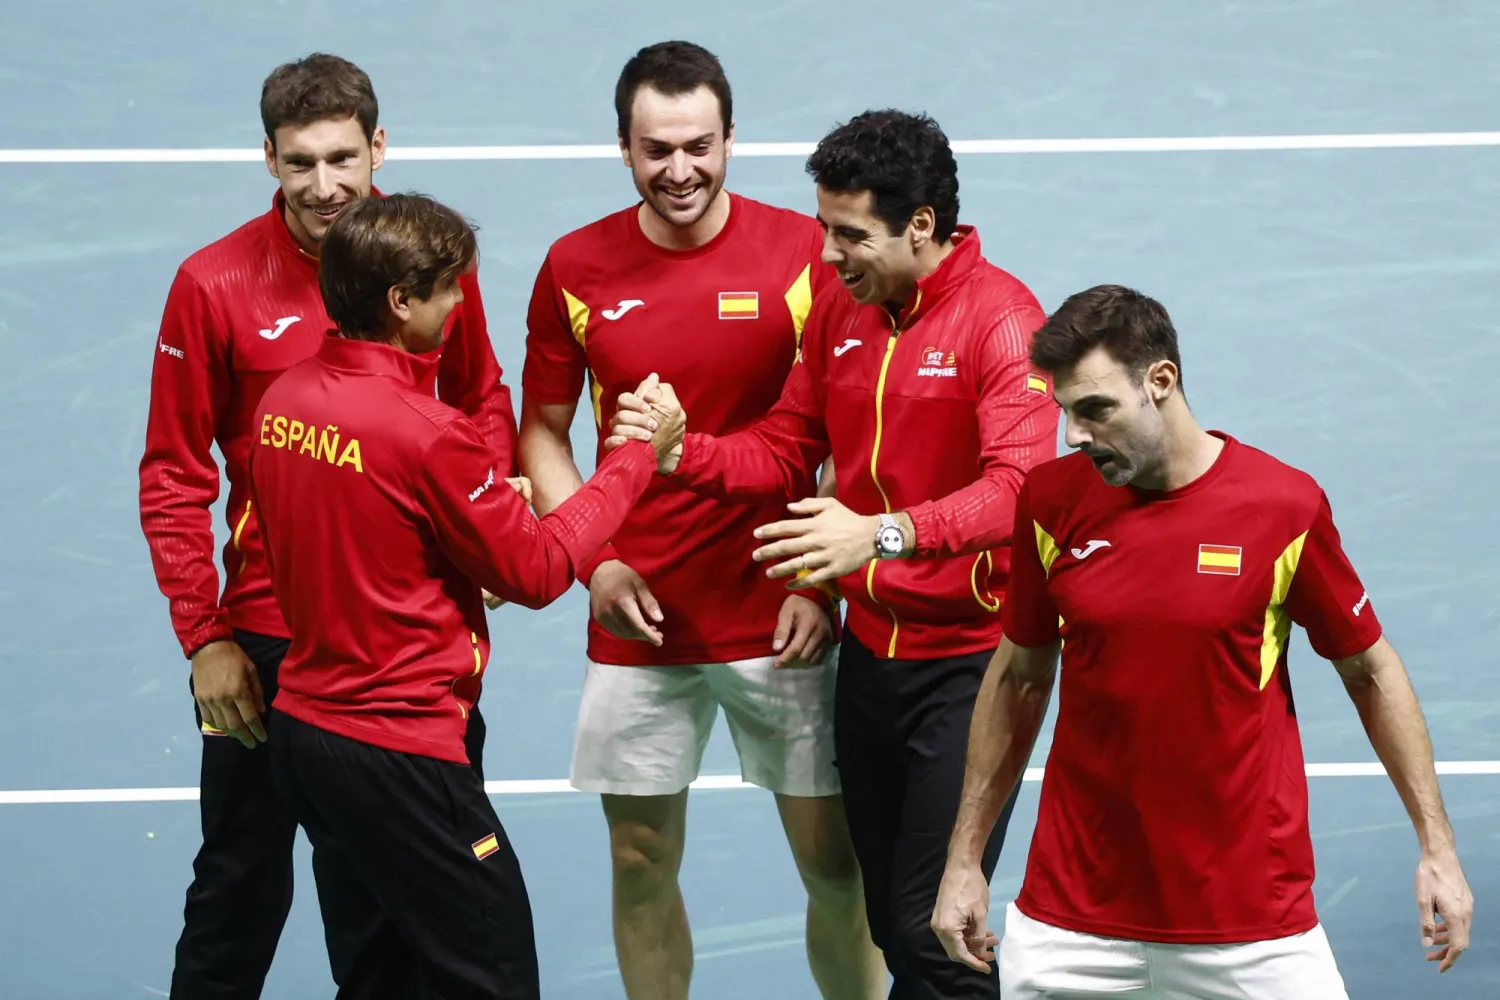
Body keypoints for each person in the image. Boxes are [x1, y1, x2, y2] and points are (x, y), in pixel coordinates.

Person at [608, 108, 1059, 998]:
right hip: (871, 661)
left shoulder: (1003, 323)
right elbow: (784, 444)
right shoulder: (842, 315)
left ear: (920, 226)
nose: (827, 253)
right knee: (895, 926)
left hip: (971, 667)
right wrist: (680, 451)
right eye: (822, 227)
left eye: (848, 233)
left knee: (935, 931)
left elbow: (1019, 491)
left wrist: (880, 535)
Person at [930, 284, 1475, 998]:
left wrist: (1438, 848)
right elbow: (1020, 676)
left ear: (1161, 381)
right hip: (1073, 920)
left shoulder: (1282, 506)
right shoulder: (1051, 500)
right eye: (1064, 411)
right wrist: (964, 860)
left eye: (1095, 409)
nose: (1073, 435)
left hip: (1252, 923)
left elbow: (1369, 668)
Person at [136, 53, 516, 1000]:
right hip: (266, 640)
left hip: (399, 651)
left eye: (343, 158)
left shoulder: (424, 268)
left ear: (379, 146)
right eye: (299, 163)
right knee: (236, 894)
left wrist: (492, 518)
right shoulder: (214, 283)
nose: (324, 186)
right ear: (267, 157)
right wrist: (204, 638)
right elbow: (174, 474)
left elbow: (482, 402)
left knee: (382, 916)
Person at [517, 39, 885, 1000]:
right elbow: (545, 436)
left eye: (699, 145)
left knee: (837, 867)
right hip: (639, 612)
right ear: (624, 148)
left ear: (730, 139)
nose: (679, 170)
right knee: (640, 861)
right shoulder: (575, 267)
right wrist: (591, 563)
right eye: (656, 149)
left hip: (779, 609)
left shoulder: (805, 256)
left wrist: (821, 575)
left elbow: (851, 429)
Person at [247, 192, 684, 998]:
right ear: (401, 301)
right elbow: (539, 571)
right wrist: (632, 458)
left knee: (377, 980)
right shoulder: (428, 431)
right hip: (403, 752)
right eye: (448, 289)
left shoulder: (282, 404)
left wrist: (472, 523)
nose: (458, 304)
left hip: (310, 738)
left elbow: (344, 539)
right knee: (492, 977)